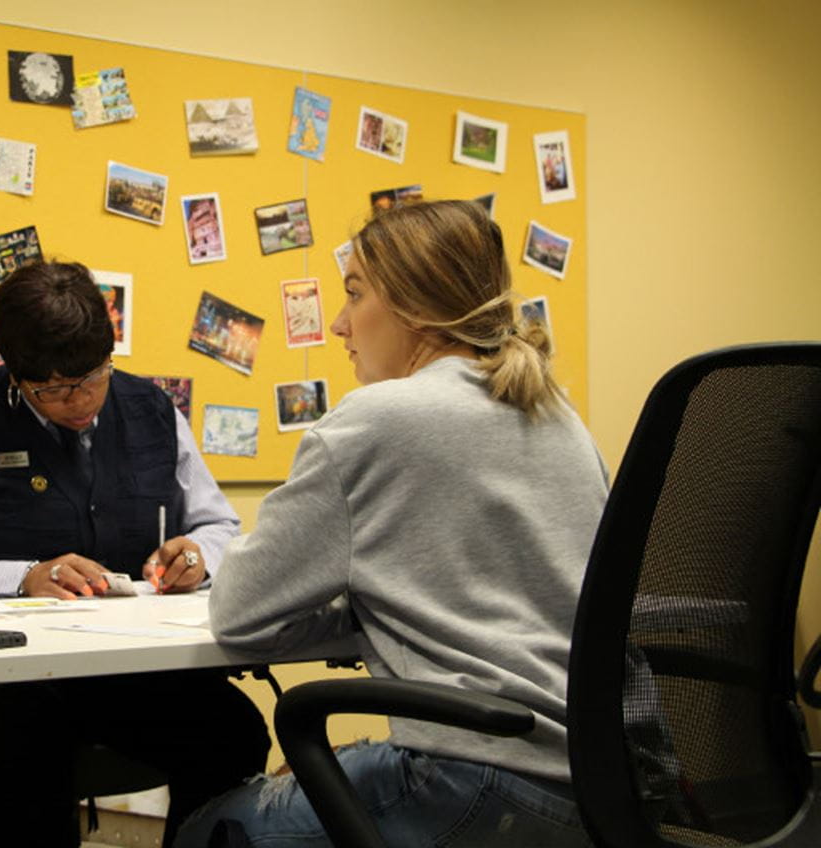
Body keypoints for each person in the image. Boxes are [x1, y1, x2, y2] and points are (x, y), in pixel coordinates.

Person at [176, 200, 609, 847]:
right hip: (613, 786)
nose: (337, 324)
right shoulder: (555, 413)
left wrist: (352, 604)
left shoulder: (374, 419)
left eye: (354, 295)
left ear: (413, 305)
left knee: (208, 831)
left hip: (480, 780)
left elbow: (237, 611)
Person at [0, 260, 269, 848]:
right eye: (52, 390)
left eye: (94, 378)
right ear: (13, 372)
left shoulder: (153, 412)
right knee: (24, 745)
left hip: (122, 669)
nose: (80, 402)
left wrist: (199, 556)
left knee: (231, 731)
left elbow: (217, 524)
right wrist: (22, 577)